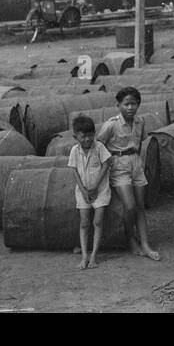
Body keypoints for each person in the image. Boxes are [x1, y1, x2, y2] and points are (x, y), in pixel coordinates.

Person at [96, 87, 161, 261]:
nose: (130, 108)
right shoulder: (111, 125)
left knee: (140, 206)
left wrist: (137, 161)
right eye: (126, 104)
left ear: (138, 105)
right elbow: (98, 145)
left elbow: (140, 143)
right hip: (118, 166)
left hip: (136, 164)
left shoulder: (140, 122)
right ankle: (130, 238)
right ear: (118, 105)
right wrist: (105, 167)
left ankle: (146, 245)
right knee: (130, 206)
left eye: (134, 104)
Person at [68, 114, 111, 270]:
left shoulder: (99, 147)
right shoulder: (74, 151)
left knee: (98, 221)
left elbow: (106, 164)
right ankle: (84, 255)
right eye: (83, 136)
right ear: (76, 137)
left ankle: (94, 256)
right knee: (84, 222)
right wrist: (84, 190)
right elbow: (74, 171)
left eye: (90, 135)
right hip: (83, 192)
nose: (87, 139)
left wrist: (95, 186)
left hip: (100, 190)